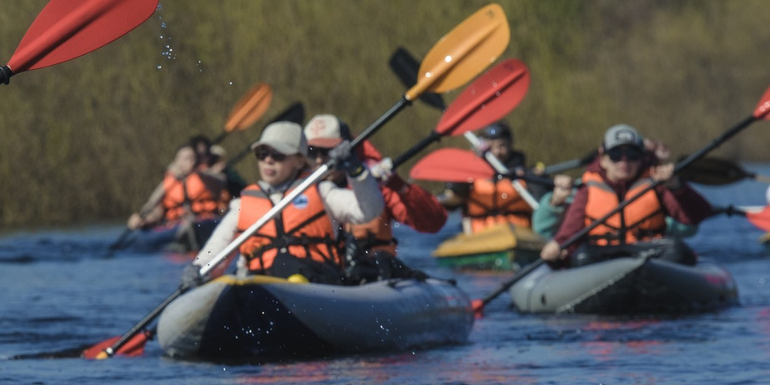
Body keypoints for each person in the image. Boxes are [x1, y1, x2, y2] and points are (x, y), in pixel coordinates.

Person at [539, 125, 716, 265]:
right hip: (603, 254)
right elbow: (572, 227)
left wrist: (677, 186)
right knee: (581, 256)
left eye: (632, 155)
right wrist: (558, 245)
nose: (624, 161)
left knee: (676, 249)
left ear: (641, 157)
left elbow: (697, 216)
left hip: (647, 252)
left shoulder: (655, 182)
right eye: (616, 154)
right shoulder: (588, 186)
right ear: (604, 159)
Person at [303, 114, 445, 270]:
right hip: (320, 272)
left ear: (348, 149)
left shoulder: (379, 187)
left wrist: (397, 184)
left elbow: (434, 222)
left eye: (327, 152)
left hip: (373, 273)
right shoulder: (296, 193)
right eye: (312, 151)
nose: (318, 160)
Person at [210, 120, 349, 280]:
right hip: (262, 283)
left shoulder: (322, 191)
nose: (268, 160)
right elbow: (216, 246)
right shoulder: (242, 204)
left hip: (316, 280)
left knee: (283, 262)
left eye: (278, 155)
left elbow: (368, 211)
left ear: (299, 161)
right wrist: (199, 267)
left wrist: (357, 172)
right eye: (262, 154)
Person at [126, 138, 232, 241]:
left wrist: (199, 172)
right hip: (177, 225)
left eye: (192, 158)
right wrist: (144, 219)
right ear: (176, 161)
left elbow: (221, 182)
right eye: (184, 158)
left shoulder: (206, 176)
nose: (189, 162)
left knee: (191, 226)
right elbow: (153, 205)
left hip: (205, 222)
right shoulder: (169, 181)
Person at [444, 122, 537, 227]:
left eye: (502, 146)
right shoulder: (470, 177)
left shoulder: (526, 175)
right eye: (491, 147)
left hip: (518, 234)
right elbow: (453, 197)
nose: (497, 152)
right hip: (482, 237)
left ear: (511, 145)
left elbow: (543, 204)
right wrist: (473, 157)